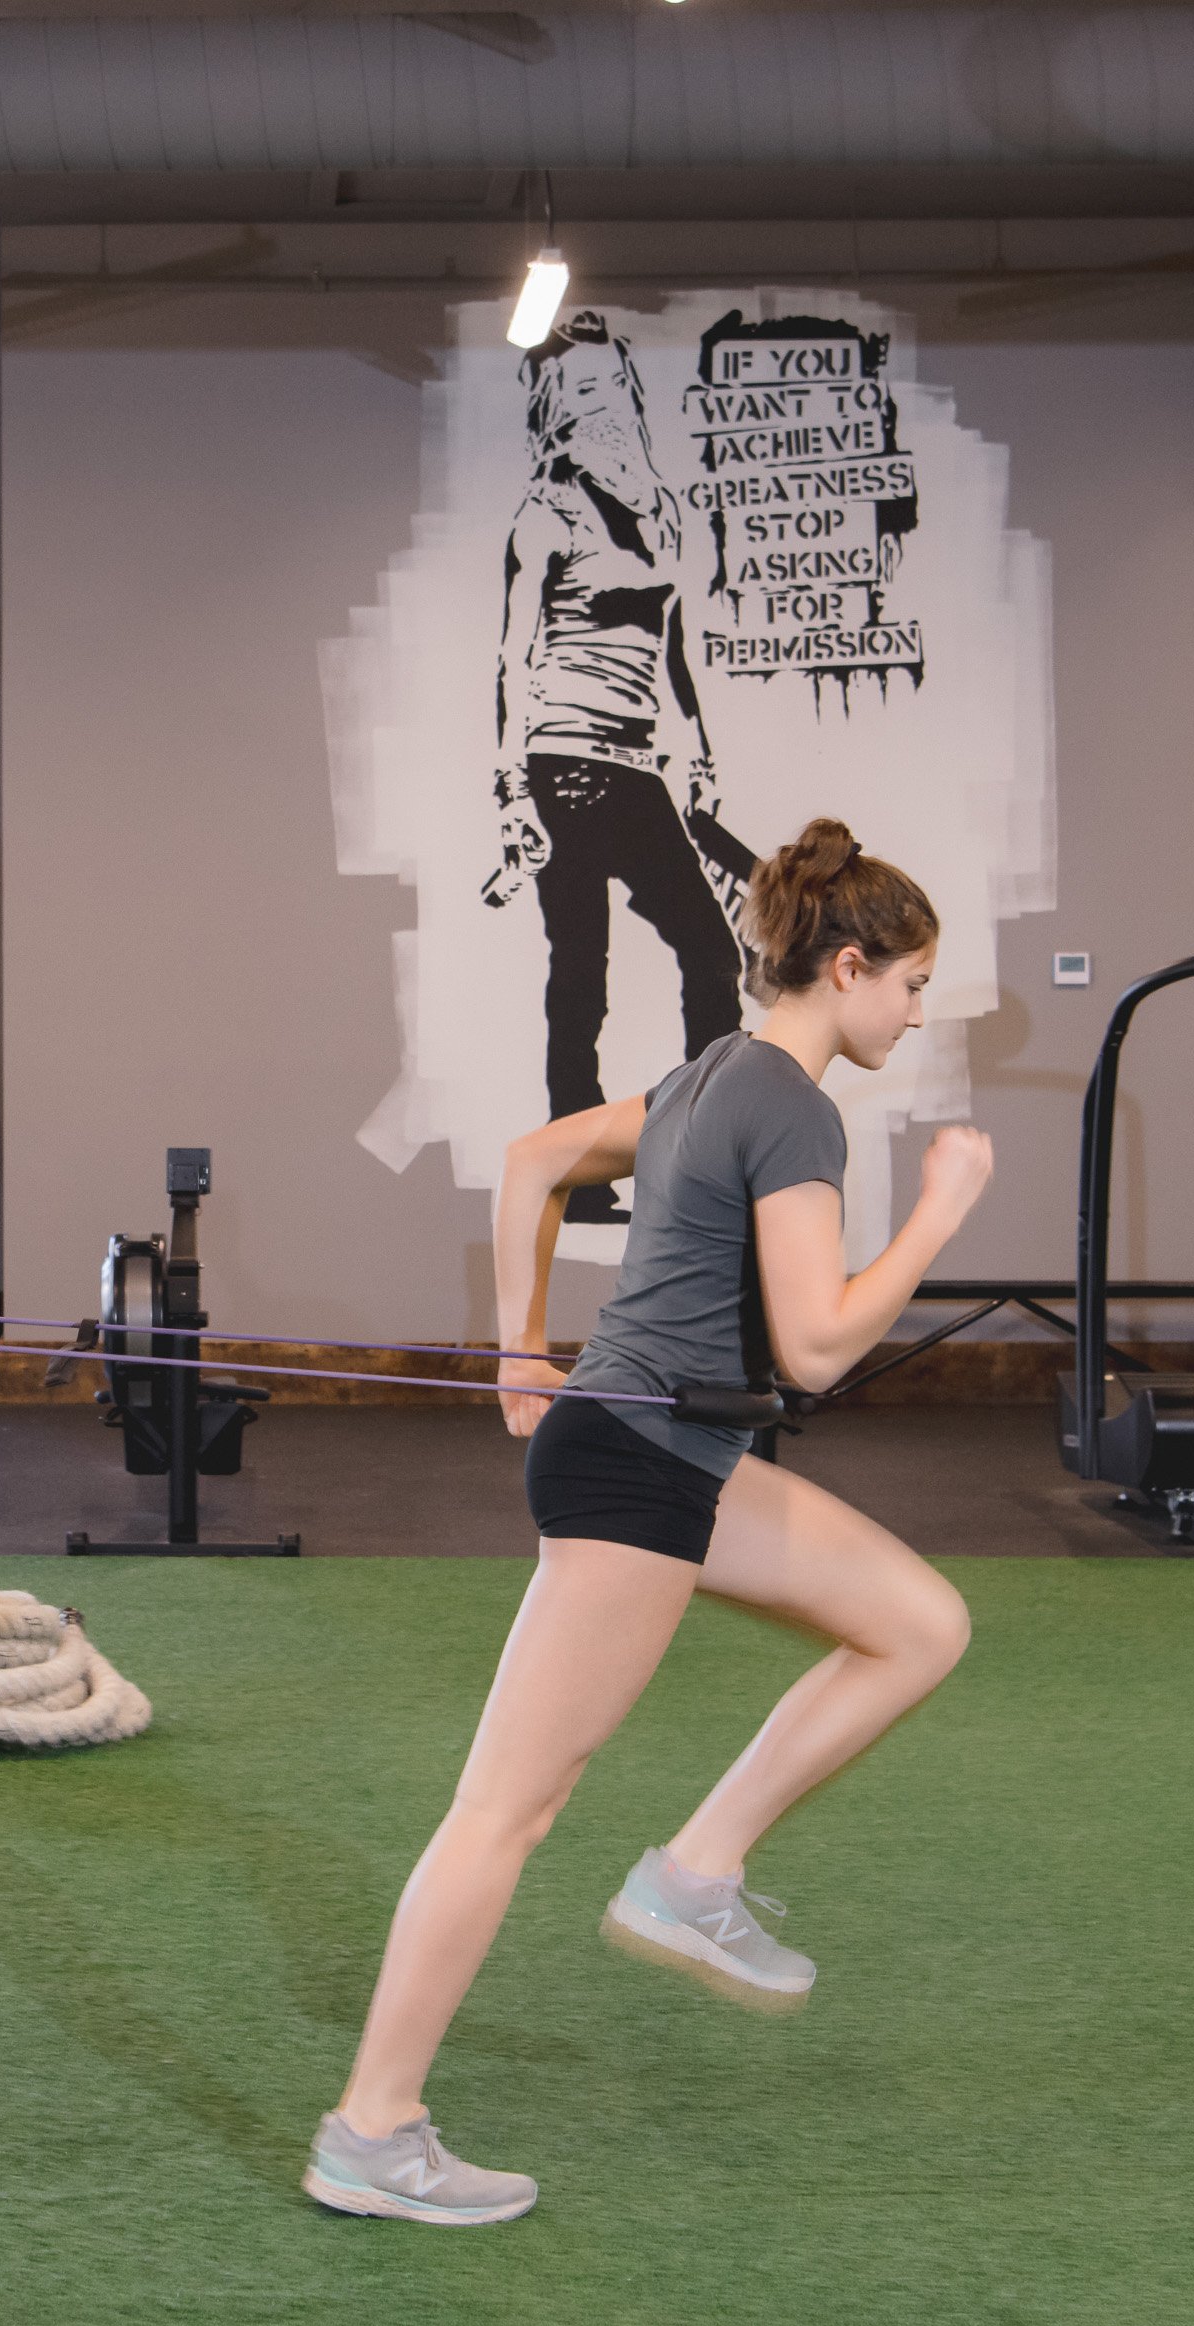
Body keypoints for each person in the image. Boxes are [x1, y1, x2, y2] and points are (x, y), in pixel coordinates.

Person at [306, 819, 987, 2227]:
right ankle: (371, 2128)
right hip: (636, 1469)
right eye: (910, 984)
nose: (916, 1013)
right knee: (506, 1809)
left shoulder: (705, 1077)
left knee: (919, 1622)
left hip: (666, 1452)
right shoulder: (790, 1104)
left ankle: (695, 1869)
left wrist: (518, 1341)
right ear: (846, 966)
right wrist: (937, 1218)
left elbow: (533, 1153)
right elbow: (813, 1348)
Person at [484, 309, 748, 1196]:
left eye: (610, 388)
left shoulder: (662, 515)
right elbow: (514, 655)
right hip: (562, 764)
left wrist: (699, 748)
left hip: (634, 768)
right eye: (580, 391)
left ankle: (699, 1153)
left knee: (713, 954)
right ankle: (580, 1167)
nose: (601, 408)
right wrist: (510, 790)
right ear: (556, 407)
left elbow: (674, 651)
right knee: (581, 971)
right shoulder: (546, 512)